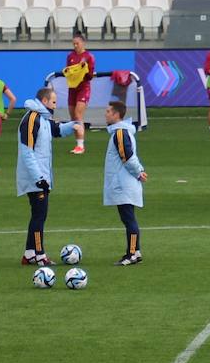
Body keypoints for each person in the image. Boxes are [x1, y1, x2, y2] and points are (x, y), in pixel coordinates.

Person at [16, 87, 77, 266]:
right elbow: (27, 152)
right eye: (54, 102)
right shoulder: (31, 119)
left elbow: (57, 130)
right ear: (44, 101)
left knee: (37, 215)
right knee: (39, 216)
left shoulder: (42, 119)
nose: (55, 105)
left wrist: (75, 125)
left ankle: (29, 254)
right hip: (36, 179)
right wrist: (39, 178)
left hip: (40, 177)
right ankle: (40, 255)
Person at [103, 101, 148, 265]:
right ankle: (135, 251)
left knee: (129, 219)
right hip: (123, 183)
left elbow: (127, 156)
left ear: (116, 115)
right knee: (128, 218)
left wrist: (138, 171)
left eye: (108, 111)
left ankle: (132, 254)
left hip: (124, 184)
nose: (105, 114)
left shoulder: (120, 133)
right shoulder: (120, 132)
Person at [62, 33, 96, 155]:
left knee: (78, 114)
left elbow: (90, 76)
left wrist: (84, 69)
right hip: (72, 88)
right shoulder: (70, 56)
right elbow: (69, 71)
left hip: (83, 88)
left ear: (83, 43)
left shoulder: (89, 57)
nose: (75, 45)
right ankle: (77, 144)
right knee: (73, 117)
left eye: (77, 43)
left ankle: (81, 145)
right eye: (74, 44)